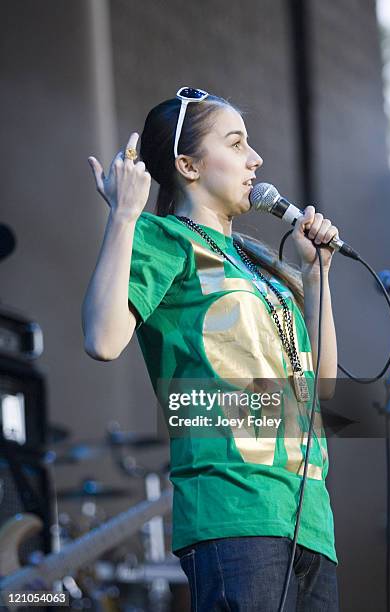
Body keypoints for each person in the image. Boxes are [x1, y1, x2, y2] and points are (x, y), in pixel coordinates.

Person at [82, 88, 340, 611]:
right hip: (234, 512)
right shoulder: (167, 238)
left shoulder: (258, 261)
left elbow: (322, 391)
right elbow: (102, 340)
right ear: (188, 165)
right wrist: (124, 217)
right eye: (237, 142)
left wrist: (316, 278)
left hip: (310, 517)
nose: (256, 158)